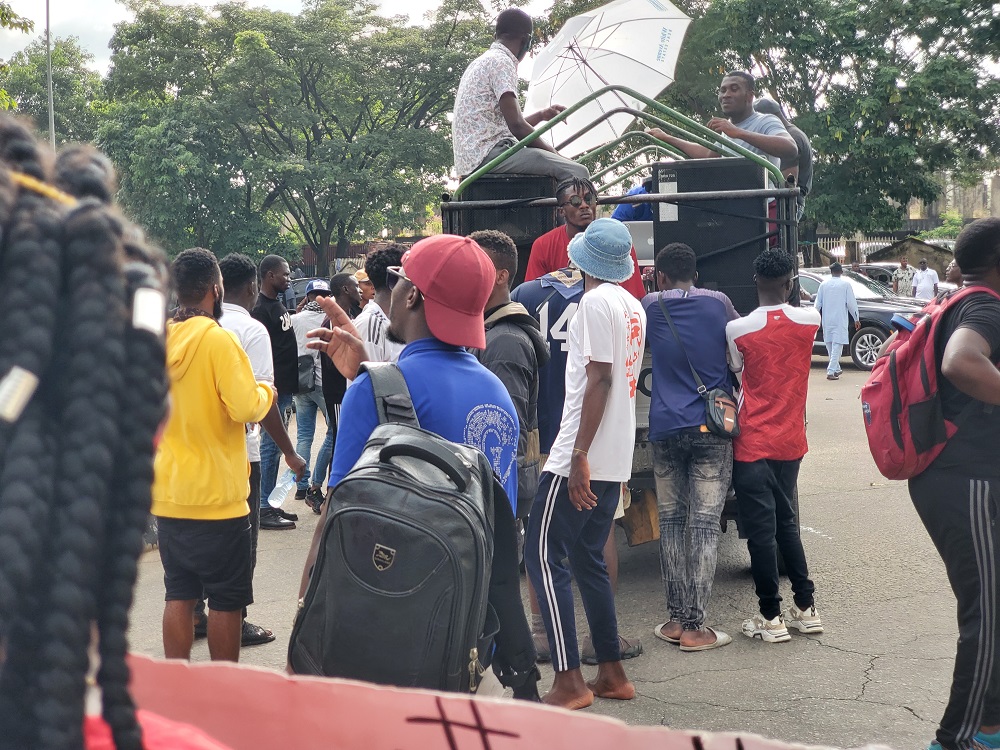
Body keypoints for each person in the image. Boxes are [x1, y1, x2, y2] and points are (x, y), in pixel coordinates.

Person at [301, 235, 538, 697]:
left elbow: (335, 520)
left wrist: (305, 619)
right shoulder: (496, 392)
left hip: (386, 635)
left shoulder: (373, 392)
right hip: (468, 638)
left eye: (396, 280)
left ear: (411, 295)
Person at [524, 218, 646, 710]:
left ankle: (569, 680)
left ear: (581, 260)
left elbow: (598, 380)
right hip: (613, 455)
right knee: (588, 559)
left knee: (541, 556)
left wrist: (576, 455)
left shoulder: (594, 303)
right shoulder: (631, 304)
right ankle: (612, 672)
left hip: (582, 454)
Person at [153, 248, 274, 663]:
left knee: (179, 592)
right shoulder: (219, 340)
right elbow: (245, 408)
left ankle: (177, 682)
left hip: (169, 494)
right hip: (219, 500)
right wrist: (266, 392)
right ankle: (224, 688)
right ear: (215, 289)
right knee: (226, 599)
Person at [906, 218, 1000, 750]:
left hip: (957, 479)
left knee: (994, 609)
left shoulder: (964, 299)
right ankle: (958, 739)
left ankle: (988, 727)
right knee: (986, 615)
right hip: (968, 482)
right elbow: (962, 361)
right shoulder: (985, 305)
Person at [644, 243, 739, 652]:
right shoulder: (719, 304)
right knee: (703, 523)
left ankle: (675, 621)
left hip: (665, 428)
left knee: (669, 522)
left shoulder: (649, 304)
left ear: (660, 276)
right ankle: (698, 628)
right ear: (695, 273)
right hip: (710, 428)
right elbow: (737, 349)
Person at [726, 248, 823, 644]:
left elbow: (737, 371)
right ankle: (806, 608)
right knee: (788, 525)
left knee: (762, 533)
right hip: (791, 440)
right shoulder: (810, 320)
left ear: (755, 282)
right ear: (791, 283)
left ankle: (771, 616)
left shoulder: (738, 329)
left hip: (752, 441)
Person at [217, 253, 306, 647]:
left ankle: (204, 613)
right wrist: (289, 451)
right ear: (253, 286)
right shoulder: (251, 330)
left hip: (196, 454)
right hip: (241, 453)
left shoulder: (194, 326)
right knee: (241, 541)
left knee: (204, 539)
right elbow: (265, 399)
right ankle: (237, 620)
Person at [452, 8, 588, 181]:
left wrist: (541, 115)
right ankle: (570, 207)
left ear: (497, 35)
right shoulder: (502, 62)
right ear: (526, 40)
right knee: (578, 172)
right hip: (487, 155)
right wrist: (557, 156)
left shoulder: (482, 61)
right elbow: (517, 126)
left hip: (473, 157)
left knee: (552, 162)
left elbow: (505, 127)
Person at [470, 229, 551, 520]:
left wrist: (502, 511)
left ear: (501, 276)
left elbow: (504, 434)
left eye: (476, 265)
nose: (466, 273)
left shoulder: (505, 340)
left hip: (497, 497)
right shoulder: (491, 331)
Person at [646, 71, 797, 172]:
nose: (726, 95)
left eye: (734, 89)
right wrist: (666, 137)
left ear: (750, 96)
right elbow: (708, 154)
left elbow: (790, 148)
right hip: (732, 206)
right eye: (723, 90)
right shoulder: (727, 129)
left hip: (763, 207)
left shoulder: (765, 120)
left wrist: (738, 133)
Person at [525, 177, 646, 300]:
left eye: (589, 199)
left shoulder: (616, 244)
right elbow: (532, 297)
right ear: (561, 211)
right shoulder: (543, 245)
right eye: (575, 201)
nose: (584, 205)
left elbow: (633, 298)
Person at [252, 255, 299, 530]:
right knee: (270, 448)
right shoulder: (260, 309)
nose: (289, 279)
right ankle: (262, 507)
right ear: (269, 275)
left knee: (276, 448)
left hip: (286, 387)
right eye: (284, 275)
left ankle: (269, 503)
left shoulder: (277, 304)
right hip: (273, 390)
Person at [290, 278, 336, 512]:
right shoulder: (329, 319)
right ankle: (316, 484)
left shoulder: (294, 319)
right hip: (321, 383)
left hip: (300, 384)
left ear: (306, 297)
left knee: (304, 436)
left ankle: (301, 483)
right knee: (333, 431)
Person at [318, 272, 362, 479]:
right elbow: (332, 361)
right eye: (356, 285)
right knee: (339, 440)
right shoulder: (331, 322)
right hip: (337, 395)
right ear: (345, 289)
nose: (360, 289)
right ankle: (331, 492)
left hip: (349, 392)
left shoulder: (352, 318)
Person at [753, 97, 813, 220]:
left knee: (780, 238)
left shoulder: (789, 139)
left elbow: (788, 182)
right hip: (792, 202)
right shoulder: (794, 132)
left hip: (789, 204)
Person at [352, 244, 406, 365]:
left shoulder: (397, 321)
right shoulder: (371, 324)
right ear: (394, 279)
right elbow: (369, 380)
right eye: (408, 276)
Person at [814, 262, 860, 380]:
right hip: (840, 319)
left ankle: (837, 368)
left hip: (827, 319)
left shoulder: (823, 285)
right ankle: (830, 370)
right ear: (841, 272)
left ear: (831, 272)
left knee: (830, 344)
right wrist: (856, 318)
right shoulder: (845, 285)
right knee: (837, 346)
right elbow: (851, 304)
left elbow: (817, 304)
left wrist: (814, 317)